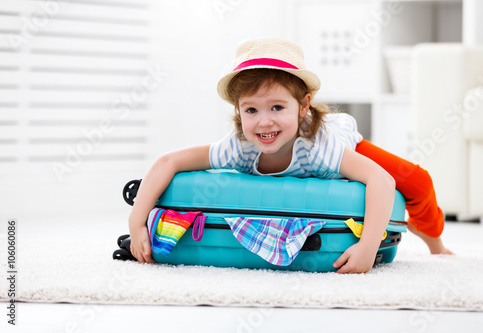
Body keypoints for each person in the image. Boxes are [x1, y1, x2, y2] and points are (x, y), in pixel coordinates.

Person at [128, 37, 453, 273]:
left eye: (277, 107)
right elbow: (168, 162)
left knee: (417, 180)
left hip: (344, 141)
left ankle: (434, 241)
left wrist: (367, 248)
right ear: (239, 114)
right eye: (251, 109)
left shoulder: (321, 147)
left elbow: (380, 180)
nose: (264, 121)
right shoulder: (240, 145)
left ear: (303, 106)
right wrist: (136, 222)